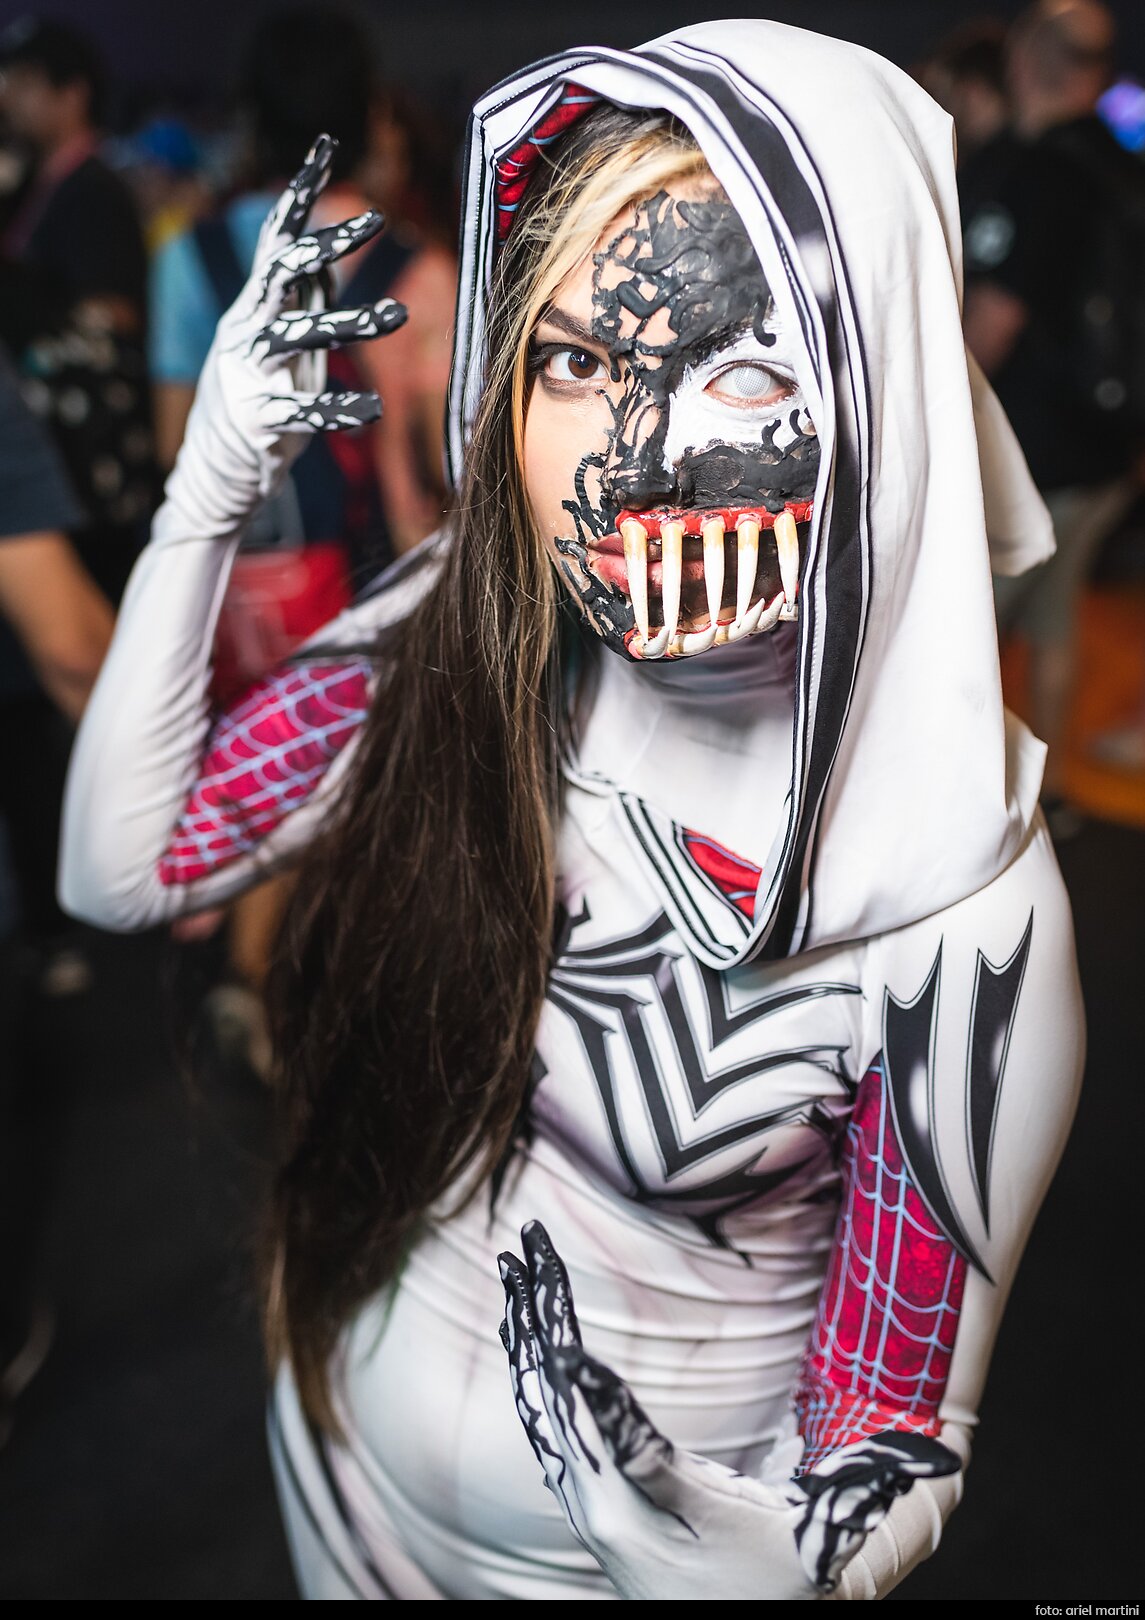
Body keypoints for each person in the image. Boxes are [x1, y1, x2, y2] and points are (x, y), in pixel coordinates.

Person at [60, 21, 1084, 1601]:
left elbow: (889, 1434)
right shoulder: (456, 644)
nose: (632, 465)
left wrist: (742, 1568)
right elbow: (122, 869)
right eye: (578, 362)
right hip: (331, 1464)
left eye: (746, 370)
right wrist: (211, 484)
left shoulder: (955, 912)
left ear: (880, 397)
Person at [961, 0, 1145, 828]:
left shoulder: (1037, 173)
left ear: (1029, 54)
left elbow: (991, 326)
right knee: (1054, 620)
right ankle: (1057, 792)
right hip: (1104, 453)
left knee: (969, 633)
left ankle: (964, 812)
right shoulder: (1115, 162)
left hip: (1033, 457)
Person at [0, 16, 155, 607]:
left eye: (26, 82)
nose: (10, 97)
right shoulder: (33, 182)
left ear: (72, 95)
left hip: (88, 462)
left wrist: (37, 317)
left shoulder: (93, 188)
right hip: (58, 449)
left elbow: (118, 314)